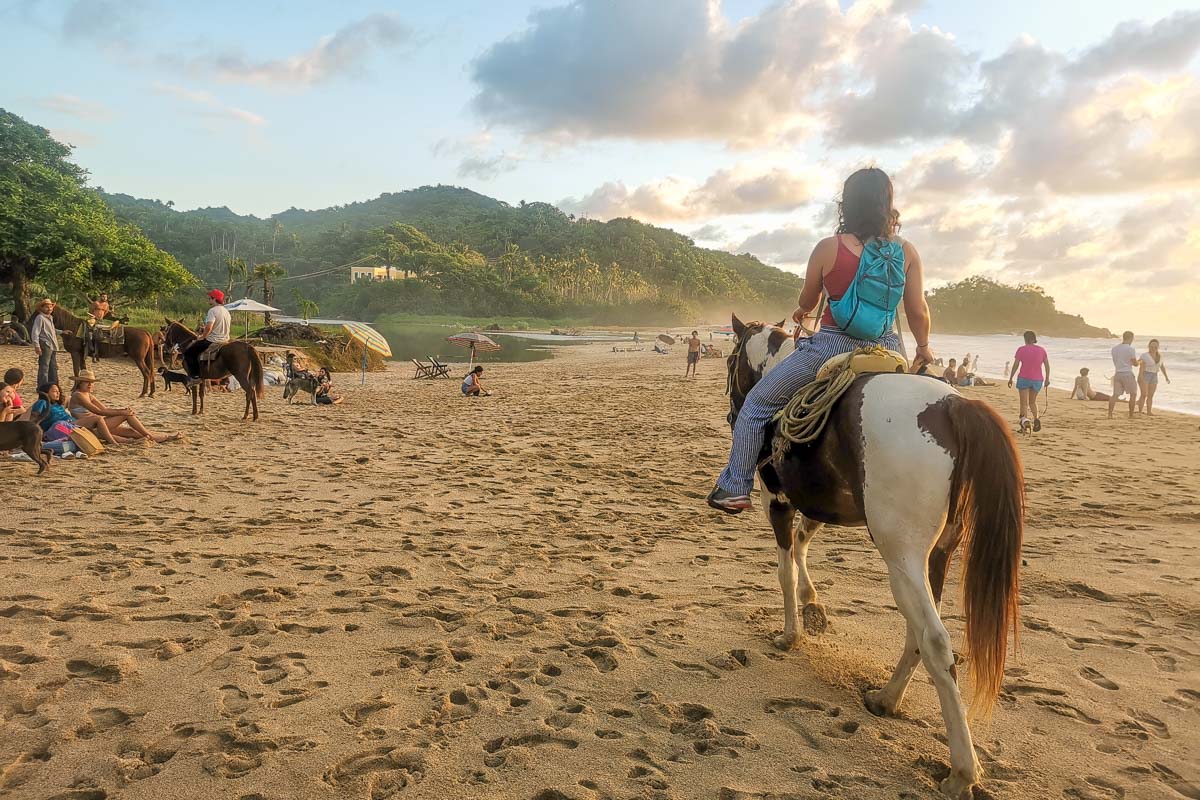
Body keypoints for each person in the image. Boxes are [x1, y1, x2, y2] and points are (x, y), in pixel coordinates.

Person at [708, 167, 933, 512]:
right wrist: (924, 346)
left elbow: (809, 300)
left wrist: (801, 312)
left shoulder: (829, 248)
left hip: (832, 348)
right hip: (889, 350)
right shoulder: (907, 252)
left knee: (754, 406)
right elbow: (917, 311)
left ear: (847, 204)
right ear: (888, 203)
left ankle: (735, 487)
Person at [69, 369, 181, 443]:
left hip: (101, 423)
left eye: (91, 382)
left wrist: (122, 410)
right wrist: (122, 413)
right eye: (86, 382)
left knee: (132, 432)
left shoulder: (88, 395)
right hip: (91, 425)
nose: (90, 385)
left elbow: (105, 409)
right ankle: (149, 435)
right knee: (127, 416)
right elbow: (98, 412)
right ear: (80, 383)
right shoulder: (78, 395)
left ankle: (165, 437)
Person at [184, 289, 232, 385]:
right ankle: (225, 378)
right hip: (225, 340)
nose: (208, 300)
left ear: (214, 299)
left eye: (209, 298)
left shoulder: (212, 311)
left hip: (213, 340)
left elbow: (209, 327)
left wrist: (203, 336)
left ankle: (195, 376)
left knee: (189, 352)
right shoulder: (226, 311)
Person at [1008, 330, 1049, 431]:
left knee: (1024, 403)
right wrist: (1047, 379)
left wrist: (1011, 377)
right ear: (1034, 339)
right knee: (1032, 402)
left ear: (1025, 339)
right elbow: (1047, 365)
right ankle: (1036, 419)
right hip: (1038, 379)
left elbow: (1016, 365)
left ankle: (1024, 427)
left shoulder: (1021, 349)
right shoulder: (1042, 350)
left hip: (1024, 378)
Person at [1108, 331, 1139, 419]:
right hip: (1127, 373)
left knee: (1115, 395)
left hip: (1117, 373)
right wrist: (1139, 362)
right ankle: (1131, 415)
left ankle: (1110, 414)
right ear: (1131, 338)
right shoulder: (1130, 349)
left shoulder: (1114, 349)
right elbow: (1135, 363)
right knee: (1133, 394)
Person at [31, 298, 60, 389]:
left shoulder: (50, 318)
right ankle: (42, 386)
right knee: (44, 367)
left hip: (52, 344)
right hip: (45, 344)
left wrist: (62, 332)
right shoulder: (40, 318)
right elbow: (35, 332)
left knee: (53, 366)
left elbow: (51, 331)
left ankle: (53, 385)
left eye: (51, 307)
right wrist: (37, 346)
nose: (49, 308)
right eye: (47, 307)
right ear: (42, 308)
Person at [1136, 338, 1170, 416]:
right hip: (1145, 374)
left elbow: (1162, 367)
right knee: (1144, 394)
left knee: (1150, 395)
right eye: (1151, 346)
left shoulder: (1160, 356)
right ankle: (1140, 412)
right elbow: (1138, 363)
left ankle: (1149, 412)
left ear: (1158, 347)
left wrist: (1166, 377)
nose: (1153, 348)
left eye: (1155, 347)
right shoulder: (1144, 355)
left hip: (1154, 376)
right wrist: (1140, 373)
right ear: (1148, 346)